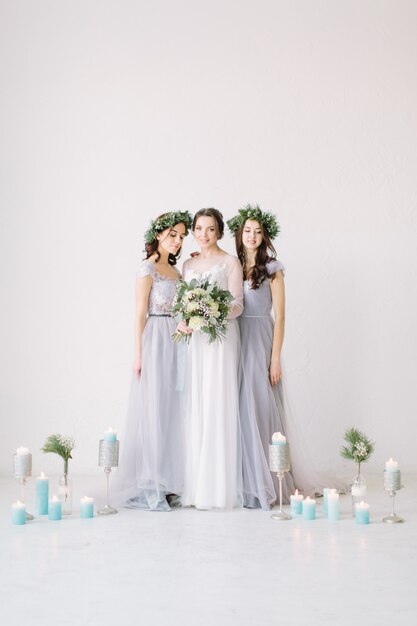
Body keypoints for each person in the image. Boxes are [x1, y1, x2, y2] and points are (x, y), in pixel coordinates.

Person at [115, 210, 193, 511]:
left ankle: (171, 480)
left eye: (182, 236)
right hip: (156, 339)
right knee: (154, 409)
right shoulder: (147, 270)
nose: (177, 241)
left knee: (175, 409)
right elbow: (138, 314)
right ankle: (150, 482)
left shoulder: (177, 272)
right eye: (173, 234)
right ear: (158, 234)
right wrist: (138, 355)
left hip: (178, 340)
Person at [228, 204, 297, 509]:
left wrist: (275, 358)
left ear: (264, 235)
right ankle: (240, 480)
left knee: (256, 406)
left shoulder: (273, 268)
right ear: (239, 234)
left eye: (258, 231)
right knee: (236, 407)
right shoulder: (232, 265)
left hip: (260, 339)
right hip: (235, 339)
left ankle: (265, 481)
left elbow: (280, 317)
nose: (252, 236)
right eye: (247, 230)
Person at [179, 208, 244, 510]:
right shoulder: (187, 263)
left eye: (211, 229)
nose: (204, 235)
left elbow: (238, 306)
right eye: (199, 228)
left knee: (217, 402)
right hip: (197, 343)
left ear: (219, 232)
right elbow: (183, 302)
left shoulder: (230, 262)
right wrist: (188, 317)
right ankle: (196, 487)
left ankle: (217, 488)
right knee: (198, 404)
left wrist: (210, 311)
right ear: (193, 231)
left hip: (220, 340)